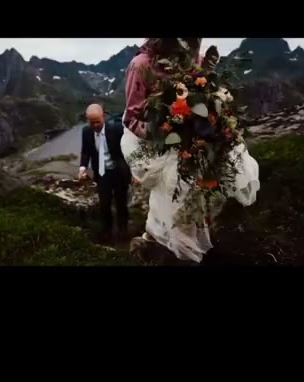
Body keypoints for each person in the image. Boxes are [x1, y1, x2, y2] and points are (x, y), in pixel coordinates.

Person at [120, 38, 261, 263]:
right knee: (171, 193)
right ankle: (168, 247)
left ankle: (194, 241)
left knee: (205, 188)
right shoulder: (141, 65)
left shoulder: (192, 57)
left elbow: (200, 89)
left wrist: (213, 117)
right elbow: (131, 118)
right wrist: (165, 132)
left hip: (191, 139)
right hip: (159, 142)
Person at [78, 103, 132, 242]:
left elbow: (128, 150)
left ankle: (123, 230)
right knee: (104, 204)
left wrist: (133, 171)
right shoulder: (86, 132)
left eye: (97, 121)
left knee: (121, 202)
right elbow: (85, 152)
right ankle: (106, 231)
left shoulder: (116, 129)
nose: (95, 125)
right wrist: (83, 168)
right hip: (102, 173)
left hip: (118, 172)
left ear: (104, 117)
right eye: (92, 122)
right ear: (87, 119)